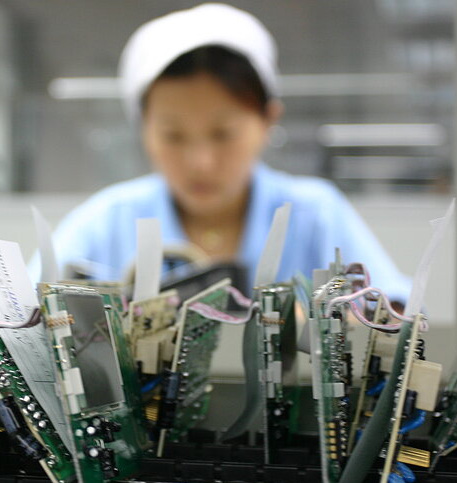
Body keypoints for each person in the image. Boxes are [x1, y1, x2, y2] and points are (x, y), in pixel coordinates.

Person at [46, 3, 410, 302]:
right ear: (142, 128)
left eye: (223, 134)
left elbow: (392, 315)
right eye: (173, 135)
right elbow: (26, 323)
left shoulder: (317, 216)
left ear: (268, 120)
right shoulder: (103, 225)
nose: (201, 162)